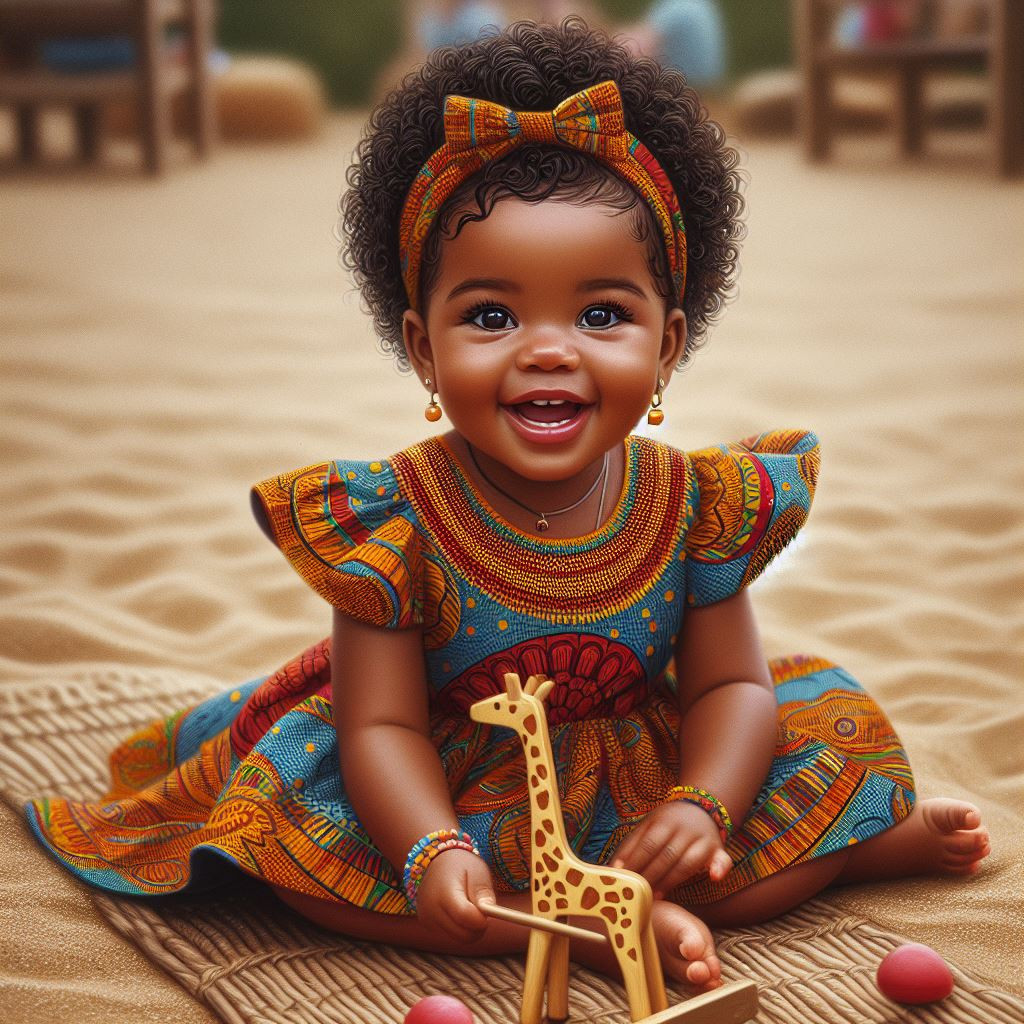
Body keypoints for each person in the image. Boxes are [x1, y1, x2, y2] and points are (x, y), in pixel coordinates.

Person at [25, 17, 990, 991]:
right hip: (446, 772)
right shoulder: (391, 517)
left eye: (601, 313)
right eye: (491, 315)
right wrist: (429, 848)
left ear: (665, 346)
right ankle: (592, 935)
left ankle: (855, 850)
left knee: (789, 771)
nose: (547, 348)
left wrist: (700, 803)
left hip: (640, 754)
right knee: (311, 872)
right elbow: (379, 728)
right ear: (421, 348)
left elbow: (731, 688)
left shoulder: (689, 501)